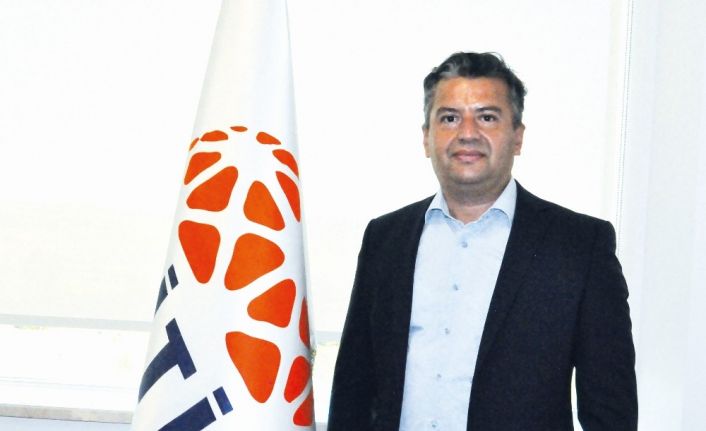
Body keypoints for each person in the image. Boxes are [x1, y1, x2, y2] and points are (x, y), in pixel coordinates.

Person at [327, 52, 637, 431]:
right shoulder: (385, 239)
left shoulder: (579, 247)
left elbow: (611, 410)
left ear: (517, 137)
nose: (468, 133)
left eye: (487, 117)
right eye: (450, 118)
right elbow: (353, 390)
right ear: (426, 138)